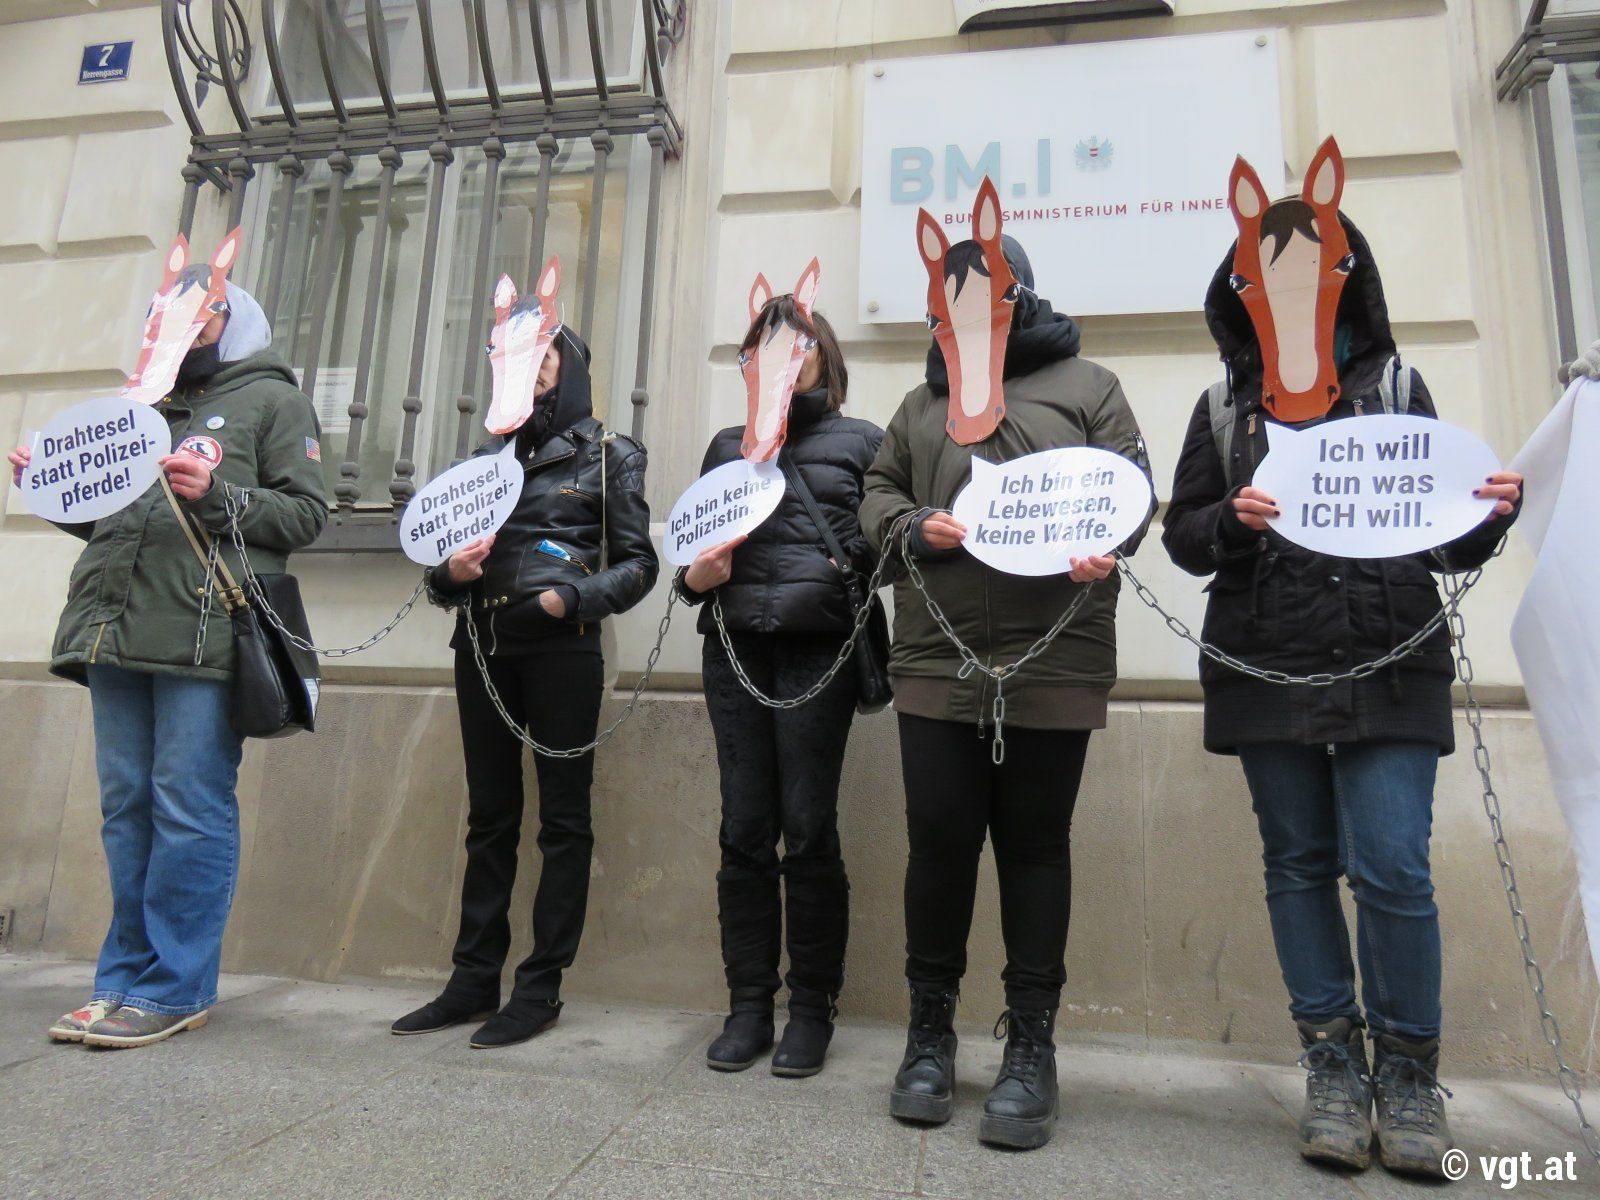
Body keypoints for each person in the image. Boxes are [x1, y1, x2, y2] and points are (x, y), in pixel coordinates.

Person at [1161, 139, 1523, 1177]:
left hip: (1386, 659)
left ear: (1347, 278)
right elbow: (1182, 537)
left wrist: (1491, 516)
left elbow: (1447, 537)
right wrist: (1230, 520)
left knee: (1393, 868)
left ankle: (1408, 1075)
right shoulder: (1223, 407)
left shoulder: (1400, 385)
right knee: (1298, 866)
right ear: (1238, 292)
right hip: (1266, 661)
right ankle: (1330, 1061)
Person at [859, 182, 1151, 1150]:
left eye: (982, 302)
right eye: (945, 310)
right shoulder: (918, 404)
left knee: (1034, 846)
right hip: (936, 656)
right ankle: (929, 1038)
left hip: (1053, 655)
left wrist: (1104, 537)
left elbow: (1130, 494)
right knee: (937, 842)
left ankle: (1031, 1047)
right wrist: (911, 526)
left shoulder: (1088, 386)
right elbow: (877, 494)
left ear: (1018, 296)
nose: (961, 323)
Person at [10, 279, 327, 1049]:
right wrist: (56, 493)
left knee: (188, 807)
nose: (176, 328)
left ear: (232, 322)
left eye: (196, 314)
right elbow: (118, 528)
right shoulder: (136, 408)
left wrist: (220, 496)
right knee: (127, 812)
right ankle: (121, 979)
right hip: (113, 634)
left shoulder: (272, 402)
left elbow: (306, 513)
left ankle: (175, 987)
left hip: (203, 637)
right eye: (163, 316)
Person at [390, 329, 658, 1049]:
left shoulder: (610, 454)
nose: (529, 372)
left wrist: (568, 601)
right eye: (516, 360)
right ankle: (473, 979)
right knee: (489, 820)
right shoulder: (483, 462)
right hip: (480, 647)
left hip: (561, 652)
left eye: (542, 358)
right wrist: (451, 576)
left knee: (563, 823)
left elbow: (638, 566)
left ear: (568, 368)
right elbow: (435, 571)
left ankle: (541, 987)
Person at [675, 284, 883, 1077]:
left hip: (815, 655)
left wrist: (843, 577)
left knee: (809, 827)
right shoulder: (727, 447)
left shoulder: (862, 441)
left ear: (821, 357)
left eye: (794, 349)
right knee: (743, 829)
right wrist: (697, 577)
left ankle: (811, 1010)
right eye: (763, 350)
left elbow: (885, 545)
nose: (780, 363)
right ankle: (748, 1005)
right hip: (734, 653)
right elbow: (690, 564)